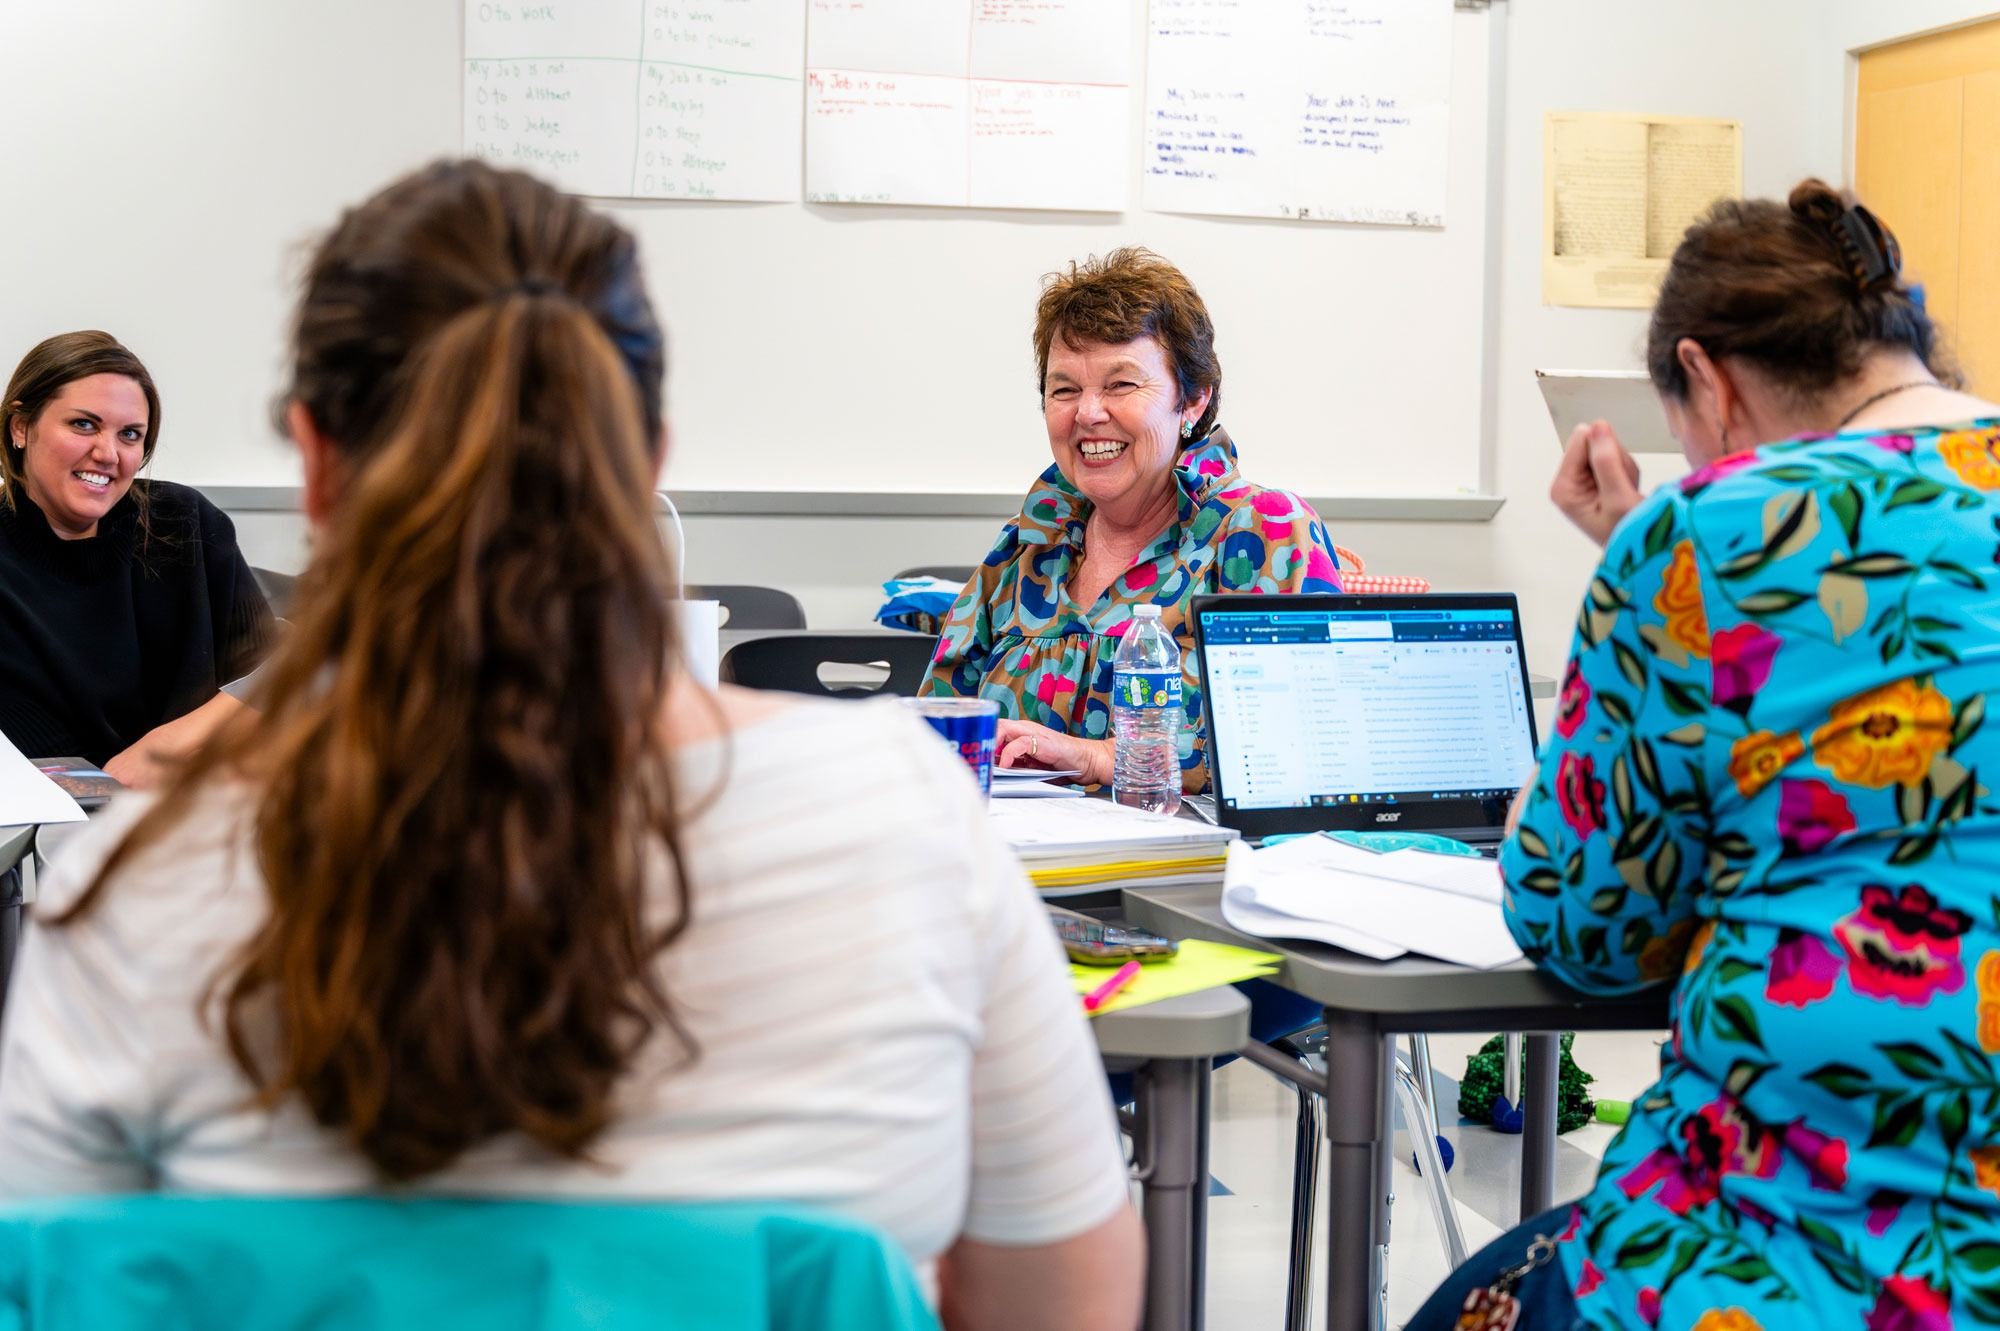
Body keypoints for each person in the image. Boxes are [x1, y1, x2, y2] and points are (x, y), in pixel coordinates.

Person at [0, 161, 1142, 1331]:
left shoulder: (123, 896)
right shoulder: (904, 822)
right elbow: (1057, 1304)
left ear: (317, 462)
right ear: (646, 452)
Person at [1409, 181, 2000, 1330]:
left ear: (1709, 378)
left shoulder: (1703, 534)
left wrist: (1647, 561)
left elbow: (1582, 927)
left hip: (1800, 1235)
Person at [924, 247, 1342, 795]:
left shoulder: (1265, 532)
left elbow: (1308, 743)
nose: (1089, 412)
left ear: (1192, 400)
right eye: (1064, 389)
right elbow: (935, 726)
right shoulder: (1027, 546)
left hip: (1182, 871)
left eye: (1121, 385)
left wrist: (1098, 757)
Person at [0, 332, 271, 784]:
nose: (108, 454)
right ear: (20, 427)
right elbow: (56, 777)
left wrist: (165, 744)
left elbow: (278, 680)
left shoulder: (186, 521)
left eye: (130, 435)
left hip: (218, 799)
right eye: (83, 424)